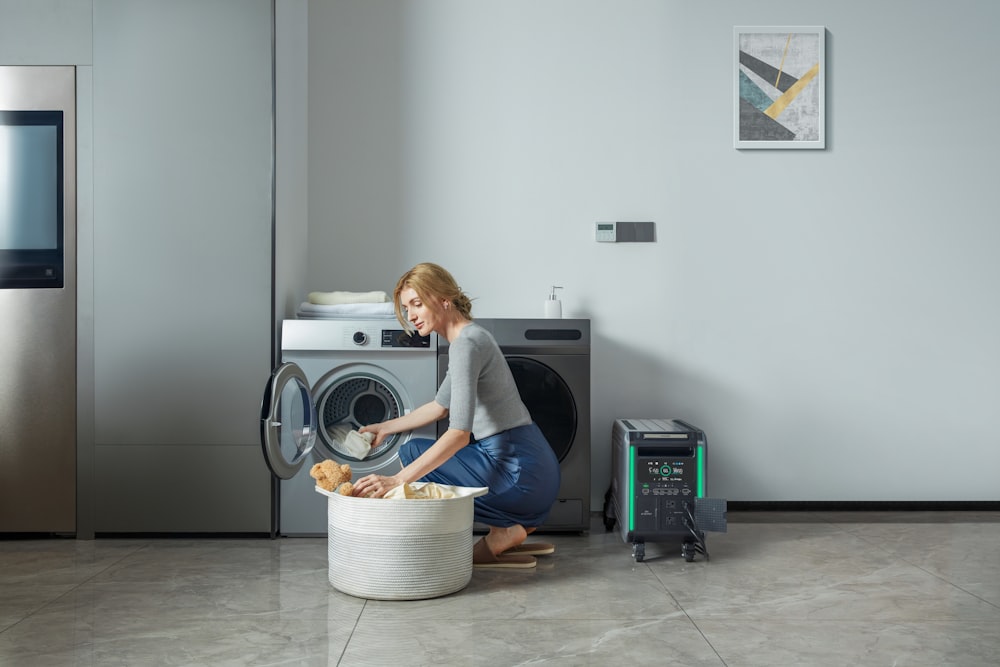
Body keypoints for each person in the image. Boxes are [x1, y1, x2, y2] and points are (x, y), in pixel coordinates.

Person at [353, 262, 561, 569]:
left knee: (412, 455)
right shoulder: (472, 337)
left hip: (520, 475)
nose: (410, 315)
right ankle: (511, 528)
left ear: (443, 299)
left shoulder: (466, 344)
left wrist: (396, 480)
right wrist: (385, 426)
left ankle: (504, 529)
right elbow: (440, 406)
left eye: (417, 304)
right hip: (534, 469)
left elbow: (459, 434)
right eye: (406, 308)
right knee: (414, 449)